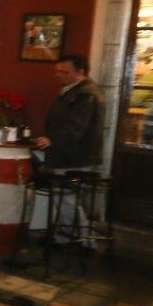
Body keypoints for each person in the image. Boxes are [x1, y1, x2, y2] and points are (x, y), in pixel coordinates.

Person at [33, 55, 104, 241]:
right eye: (57, 71)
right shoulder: (76, 91)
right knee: (64, 198)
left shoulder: (85, 94)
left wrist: (52, 140)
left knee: (67, 199)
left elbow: (75, 127)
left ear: (80, 72)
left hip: (75, 156)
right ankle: (66, 237)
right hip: (72, 154)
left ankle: (85, 240)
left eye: (64, 72)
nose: (58, 75)